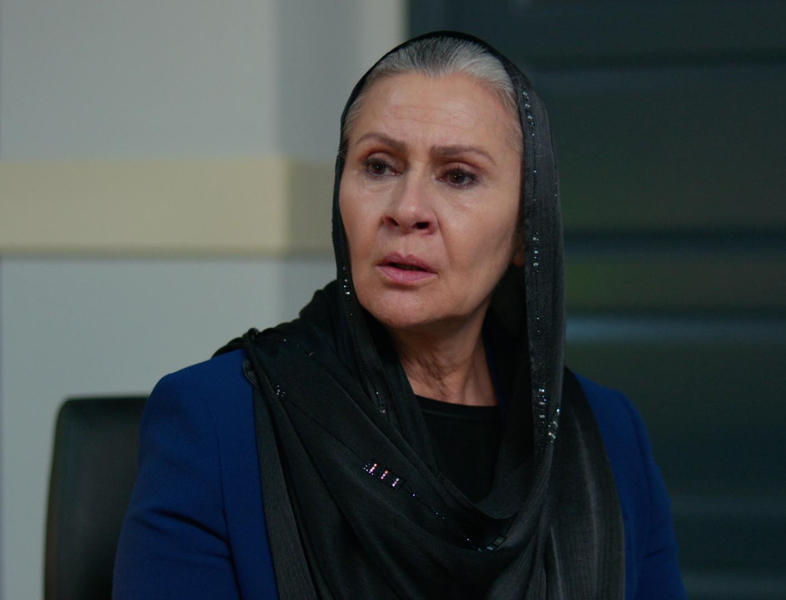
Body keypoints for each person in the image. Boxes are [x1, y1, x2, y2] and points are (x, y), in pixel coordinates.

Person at [114, 31, 686, 599]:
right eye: (379, 166)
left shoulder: (607, 434)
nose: (407, 209)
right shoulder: (215, 420)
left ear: (524, 230)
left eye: (458, 175)